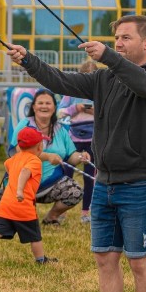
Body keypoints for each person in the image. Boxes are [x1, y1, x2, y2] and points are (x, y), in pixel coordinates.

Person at [7, 15, 146, 292]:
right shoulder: (104, 79)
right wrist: (29, 61)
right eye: (116, 37)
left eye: (125, 37)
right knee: (104, 258)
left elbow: (142, 84)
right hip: (107, 181)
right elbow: (62, 81)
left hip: (141, 183)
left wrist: (108, 55)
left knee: (139, 260)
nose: (119, 42)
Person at [0, 127, 57, 266]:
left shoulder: (13, 159)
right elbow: (25, 171)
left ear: (19, 146)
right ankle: (41, 260)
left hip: (6, 205)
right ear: (39, 147)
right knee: (35, 236)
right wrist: (20, 191)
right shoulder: (34, 161)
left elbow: (7, 165)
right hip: (22, 205)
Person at [11, 88, 89, 226]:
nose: (44, 106)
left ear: (54, 108)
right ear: (34, 107)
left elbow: (71, 156)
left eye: (48, 103)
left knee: (75, 192)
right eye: (40, 103)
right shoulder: (25, 124)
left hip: (52, 183)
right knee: (3, 204)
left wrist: (81, 156)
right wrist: (46, 156)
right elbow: (17, 151)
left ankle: (51, 217)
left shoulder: (61, 129)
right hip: (24, 183)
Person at [58, 60, 97, 223]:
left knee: (89, 177)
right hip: (74, 140)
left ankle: (85, 212)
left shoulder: (100, 92)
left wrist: (94, 110)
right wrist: (77, 108)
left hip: (93, 141)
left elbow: (109, 112)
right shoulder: (71, 93)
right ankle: (61, 210)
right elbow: (60, 112)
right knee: (67, 176)